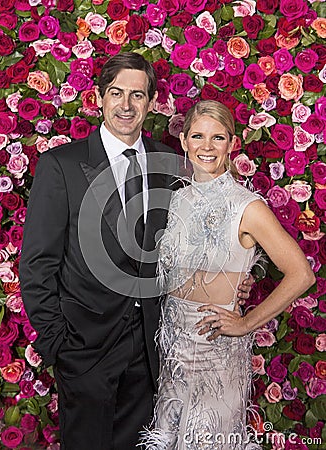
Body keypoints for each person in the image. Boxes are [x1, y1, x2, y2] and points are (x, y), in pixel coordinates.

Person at [19, 54, 253, 450]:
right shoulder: (62, 165)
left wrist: (239, 280)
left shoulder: (171, 164)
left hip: (152, 350)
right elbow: (37, 264)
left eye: (137, 95)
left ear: (151, 102)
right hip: (85, 349)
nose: (126, 105)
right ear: (99, 98)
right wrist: (59, 344)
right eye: (116, 93)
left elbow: (208, 237)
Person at [140, 100, 315, 450]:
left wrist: (246, 323)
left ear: (232, 144)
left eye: (217, 137)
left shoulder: (247, 206)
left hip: (216, 354)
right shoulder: (175, 199)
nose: (207, 146)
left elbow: (301, 274)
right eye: (198, 136)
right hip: (172, 350)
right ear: (185, 141)